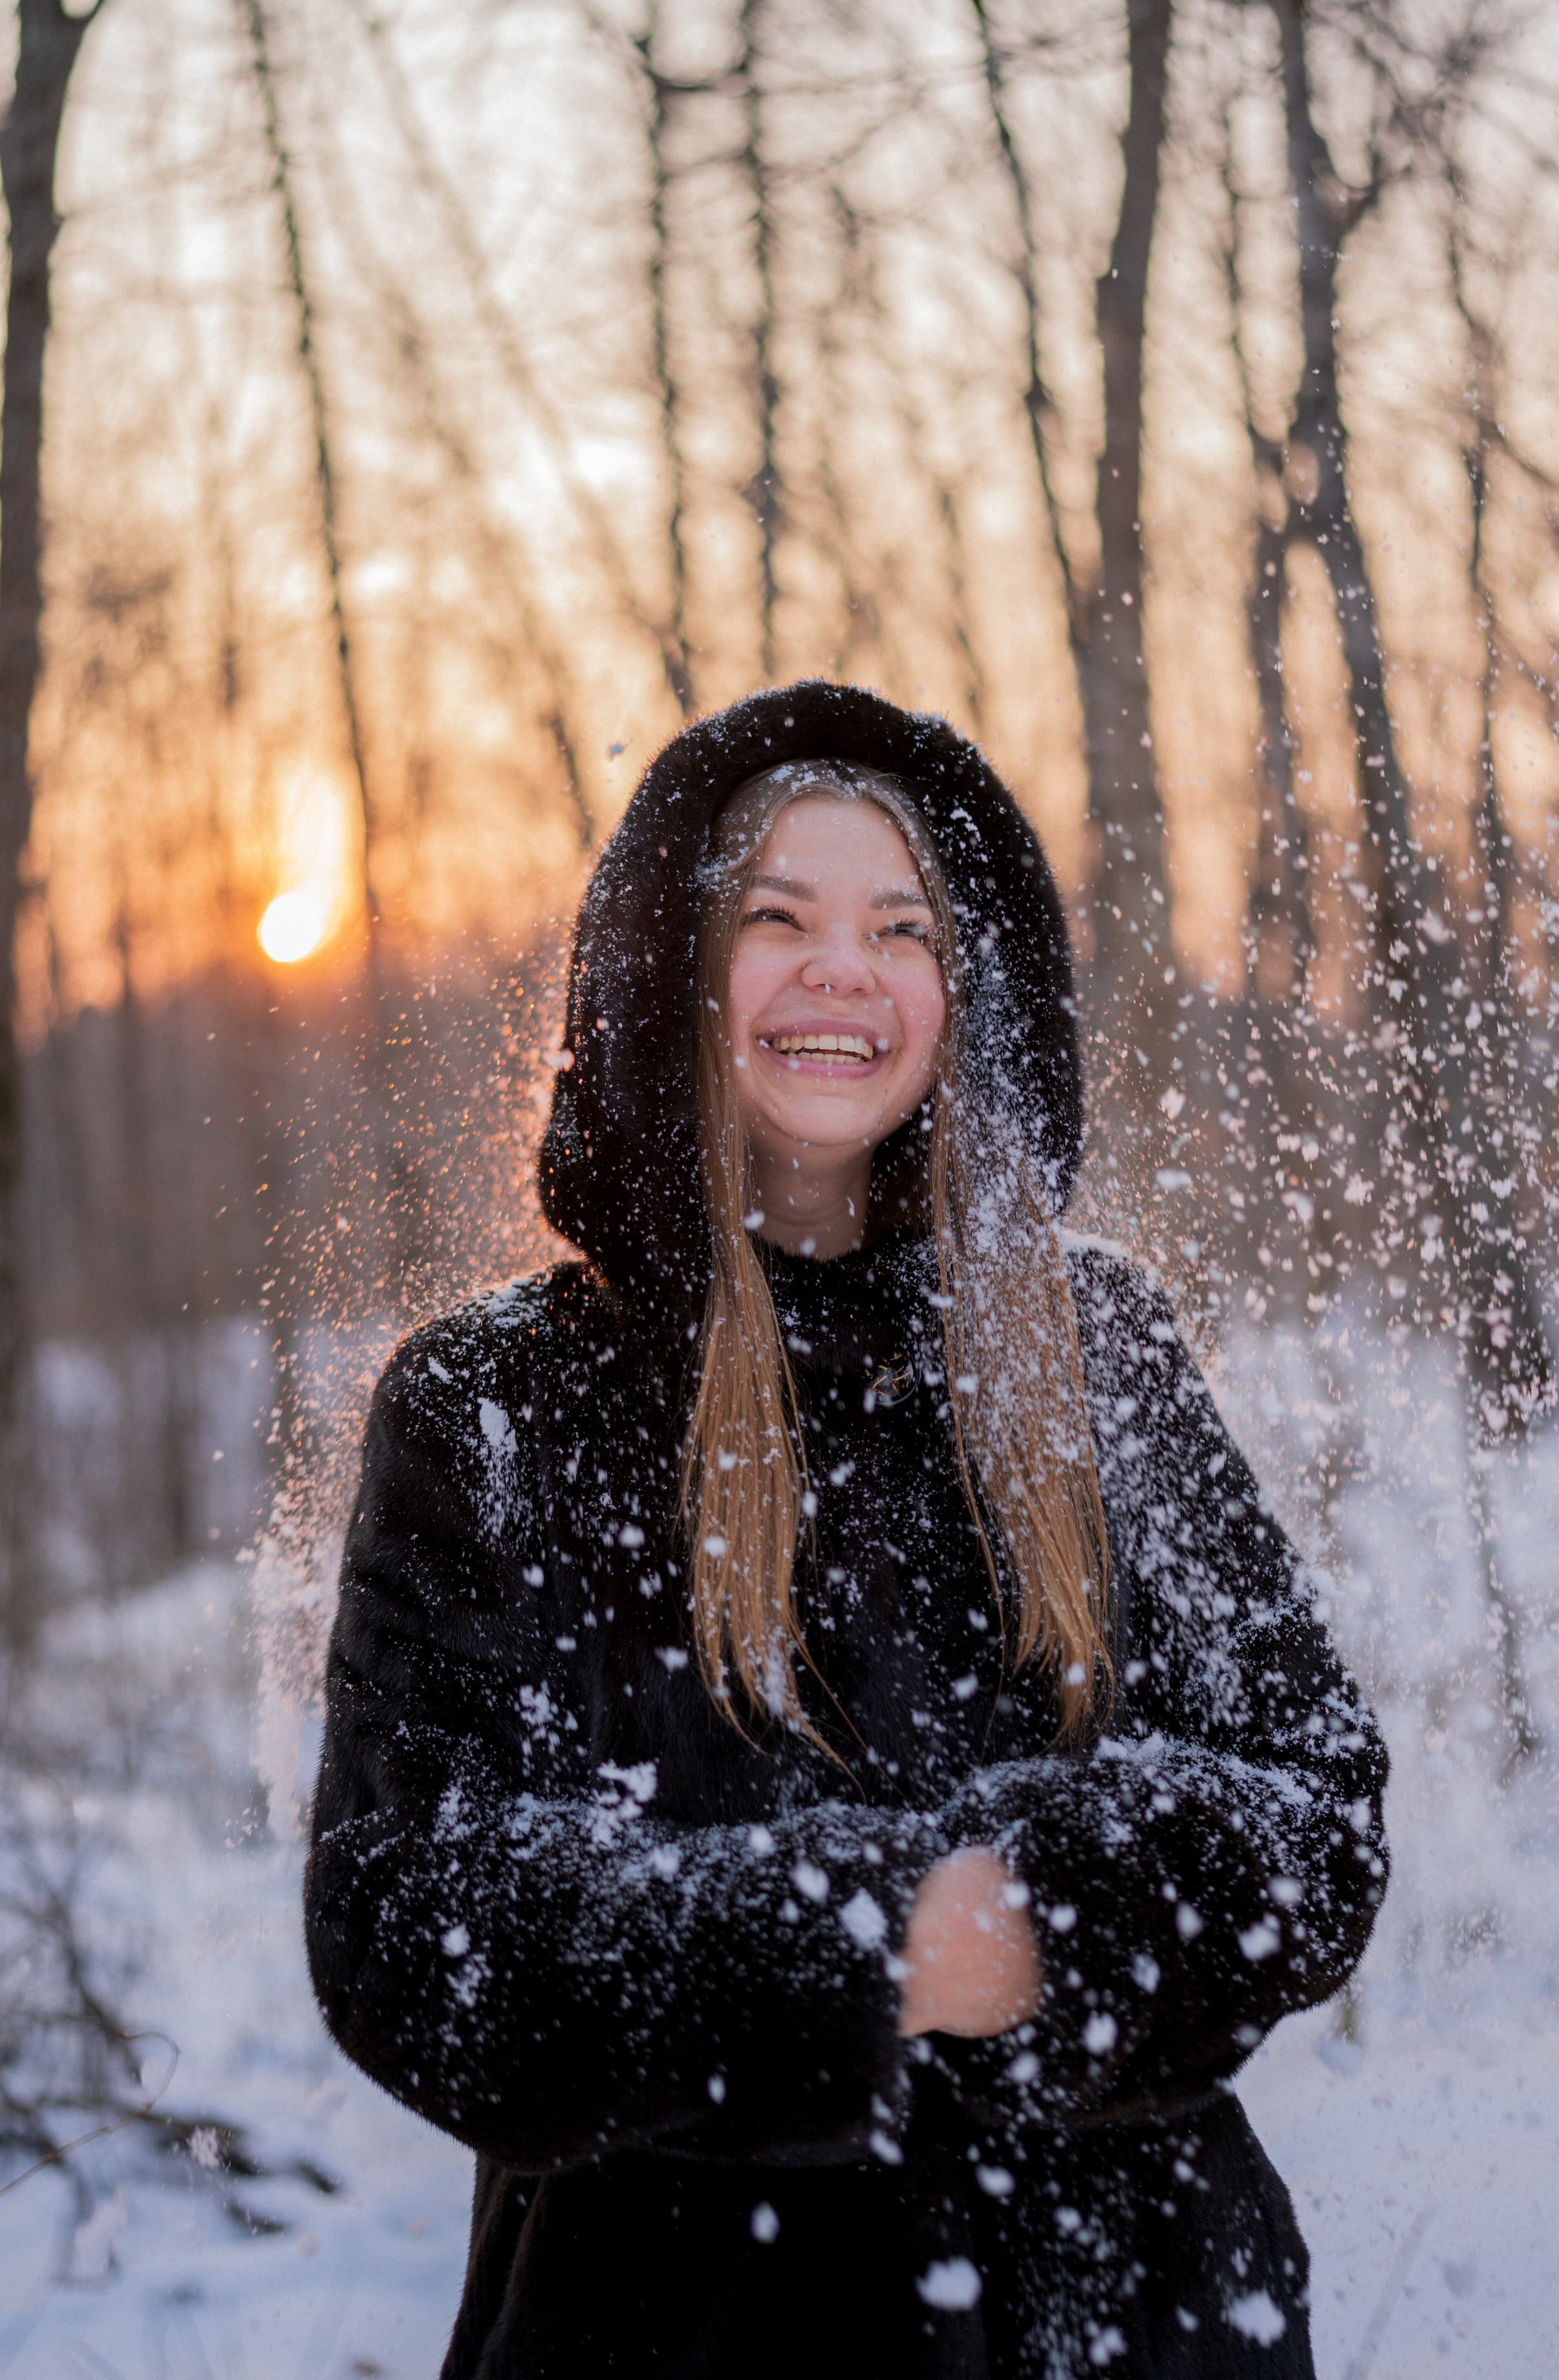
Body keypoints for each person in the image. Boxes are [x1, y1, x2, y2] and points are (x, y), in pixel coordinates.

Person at [306, 681, 1388, 2378]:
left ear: (965, 994)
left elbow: (1315, 1808)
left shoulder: (1096, 1350)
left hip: (1135, 2317)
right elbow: (414, 1922)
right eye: (777, 919)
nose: (844, 973)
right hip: (689, 2328)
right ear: (675, 975)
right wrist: (860, 1946)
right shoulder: (498, 1402)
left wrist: (1057, 1916)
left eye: (903, 929)